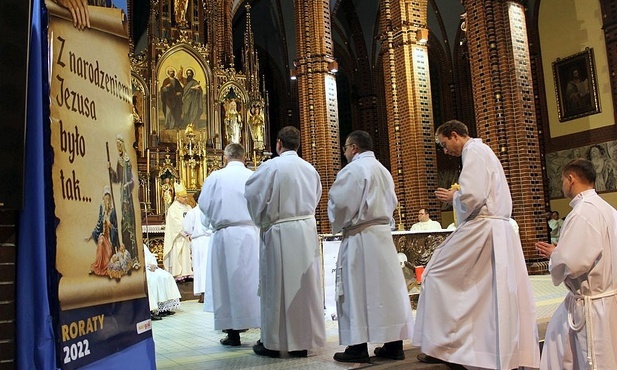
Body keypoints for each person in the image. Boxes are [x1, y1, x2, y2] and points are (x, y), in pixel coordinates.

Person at [413, 120, 540, 369]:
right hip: (493, 229)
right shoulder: (481, 152)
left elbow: (473, 195)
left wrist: (454, 196)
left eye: (443, 144)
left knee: (435, 274)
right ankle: (465, 347)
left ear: (454, 135)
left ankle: (442, 346)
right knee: (484, 292)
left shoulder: (474, 151)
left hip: (482, 227)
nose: (445, 150)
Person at [328, 130, 414, 363]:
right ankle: (394, 344)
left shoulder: (353, 170)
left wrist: (336, 219)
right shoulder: (383, 170)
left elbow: (340, 205)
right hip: (382, 237)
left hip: (360, 237)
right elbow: (392, 202)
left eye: (345, 147)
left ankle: (357, 347)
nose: (345, 152)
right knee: (386, 292)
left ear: (354, 147)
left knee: (357, 290)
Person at [244, 126, 326, 358]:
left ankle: (276, 343)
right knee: (304, 288)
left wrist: (261, 220)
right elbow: (317, 196)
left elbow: (253, 195)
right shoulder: (310, 169)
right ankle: (302, 341)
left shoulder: (271, 167)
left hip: (280, 232)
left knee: (277, 288)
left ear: (278, 143)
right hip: (306, 231)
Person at [535, 158, 617, 370]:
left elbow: (570, 264)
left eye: (562, 180)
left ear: (570, 179)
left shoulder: (581, 213)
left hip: (591, 304)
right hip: (607, 299)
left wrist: (556, 255)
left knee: (592, 360)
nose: (562, 185)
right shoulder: (608, 210)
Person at [198, 143, 260, 346]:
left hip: (225, 235)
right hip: (251, 234)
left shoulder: (216, 177)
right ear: (244, 157)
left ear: (225, 157)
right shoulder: (253, 176)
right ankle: (262, 331)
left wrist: (210, 223)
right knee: (253, 283)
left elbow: (204, 205)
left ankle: (233, 334)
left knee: (227, 285)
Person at [109, 134, 139, 267]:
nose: (118, 148)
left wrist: (128, 184)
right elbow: (116, 179)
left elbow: (133, 179)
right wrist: (110, 169)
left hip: (128, 197)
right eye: (117, 146)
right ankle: (126, 256)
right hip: (122, 195)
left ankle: (134, 256)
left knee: (129, 224)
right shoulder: (120, 161)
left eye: (120, 145)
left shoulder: (127, 160)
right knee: (123, 223)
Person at [182, 190, 211, 304]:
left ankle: (203, 293)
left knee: (200, 267)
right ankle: (211, 292)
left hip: (198, 241)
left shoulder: (192, 212)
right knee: (209, 267)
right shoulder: (211, 211)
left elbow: (187, 229)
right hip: (210, 240)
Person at [162, 182, 193, 280]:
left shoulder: (188, 207)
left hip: (188, 236)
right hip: (179, 236)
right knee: (179, 254)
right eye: (183, 197)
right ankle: (179, 274)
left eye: (186, 197)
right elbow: (175, 223)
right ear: (178, 197)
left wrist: (191, 230)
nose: (186, 199)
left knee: (188, 254)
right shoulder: (173, 208)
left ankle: (188, 272)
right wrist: (184, 232)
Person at [86, 185, 118, 276]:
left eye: (108, 198)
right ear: (103, 199)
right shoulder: (102, 210)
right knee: (100, 241)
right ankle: (97, 266)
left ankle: (106, 267)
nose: (107, 201)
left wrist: (110, 225)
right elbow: (98, 225)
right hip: (103, 237)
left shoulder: (113, 212)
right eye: (105, 198)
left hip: (110, 240)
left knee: (105, 247)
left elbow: (116, 230)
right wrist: (91, 236)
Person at [144, 244, 181, 320]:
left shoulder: (143, 245)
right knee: (152, 280)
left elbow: (151, 256)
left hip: (151, 268)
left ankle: (164, 307)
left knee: (166, 276)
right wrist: (147, 266)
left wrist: (153, 264)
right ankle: (153, 310)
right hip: (143, 270)